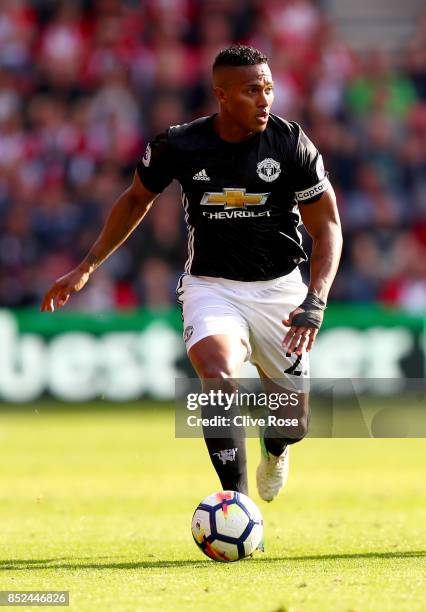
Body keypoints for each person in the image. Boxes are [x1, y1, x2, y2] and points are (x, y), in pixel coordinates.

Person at [41, 45, 342, 503]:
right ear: (221, 95)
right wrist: (87, 267)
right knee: (217, 377)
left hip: (281, 291)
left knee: (291, 424)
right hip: (212, 287)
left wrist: (314, 300)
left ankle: (276, 448)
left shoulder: (291, 144)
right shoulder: (179, 145)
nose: (264, 100)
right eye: (251, 91)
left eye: (269, 89)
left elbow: (328, 228)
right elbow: (134, 199)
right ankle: (237, 505)